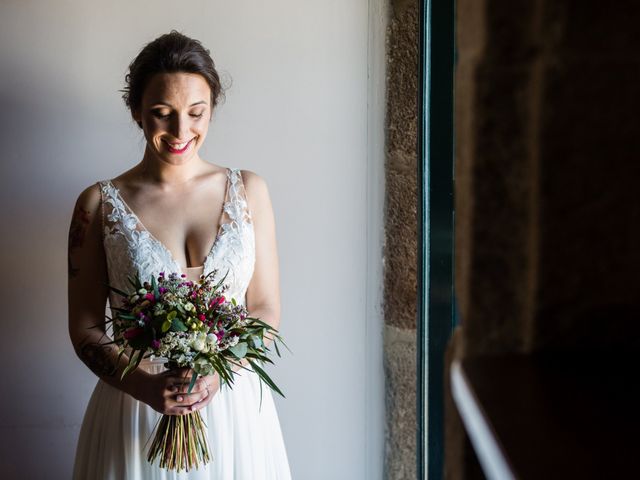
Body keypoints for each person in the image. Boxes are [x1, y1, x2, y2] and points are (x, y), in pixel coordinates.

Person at [67, 30, 292, 479]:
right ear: (136, 112)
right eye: (161, 114)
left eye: (196, 113)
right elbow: (85, 327)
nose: (180, 132)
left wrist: (219, 370)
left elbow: (264, 309)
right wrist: (144, 387)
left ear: (212, 108)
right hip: (136, 406)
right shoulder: (97, 204)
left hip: (234, 412)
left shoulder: (249, 191)